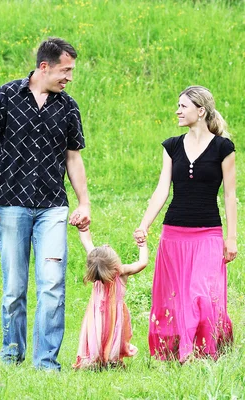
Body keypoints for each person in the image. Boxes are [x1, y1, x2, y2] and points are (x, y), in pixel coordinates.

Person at [0, 37, 90, 371]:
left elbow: (73, 157)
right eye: (65, 70)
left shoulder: (68, 107)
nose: (69, 77)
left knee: (52, 285)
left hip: (53, 207)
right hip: (10, 204)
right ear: (45, 66)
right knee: (14, 288)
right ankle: (12, 356)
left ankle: (46, 364)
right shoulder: (6, 95)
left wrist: (84, 202)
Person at [134, 85, 236, 362]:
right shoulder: (172, 146)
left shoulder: (223, 148)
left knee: (201, 294)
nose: (178, 111)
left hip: (209, 233)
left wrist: (232, 238)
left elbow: (229, 195)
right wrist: (144, 225)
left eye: (183, 106)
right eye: (178, 106)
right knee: (174, 297)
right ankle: (180, 352)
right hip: (174, 233)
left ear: (200, 111)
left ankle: (199, 350)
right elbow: (161, 190)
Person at [72, 228, 148, 370]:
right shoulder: (121, 272)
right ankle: (113, 360)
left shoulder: (96, 267)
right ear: (115, 264)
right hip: (115, 317)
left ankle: (93, 361)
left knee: (96, 336)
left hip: (96, 317)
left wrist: (83, 227)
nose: (107, 245)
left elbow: (86, 241)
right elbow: (142, 263)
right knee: (115, 336)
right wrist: (142, 245)